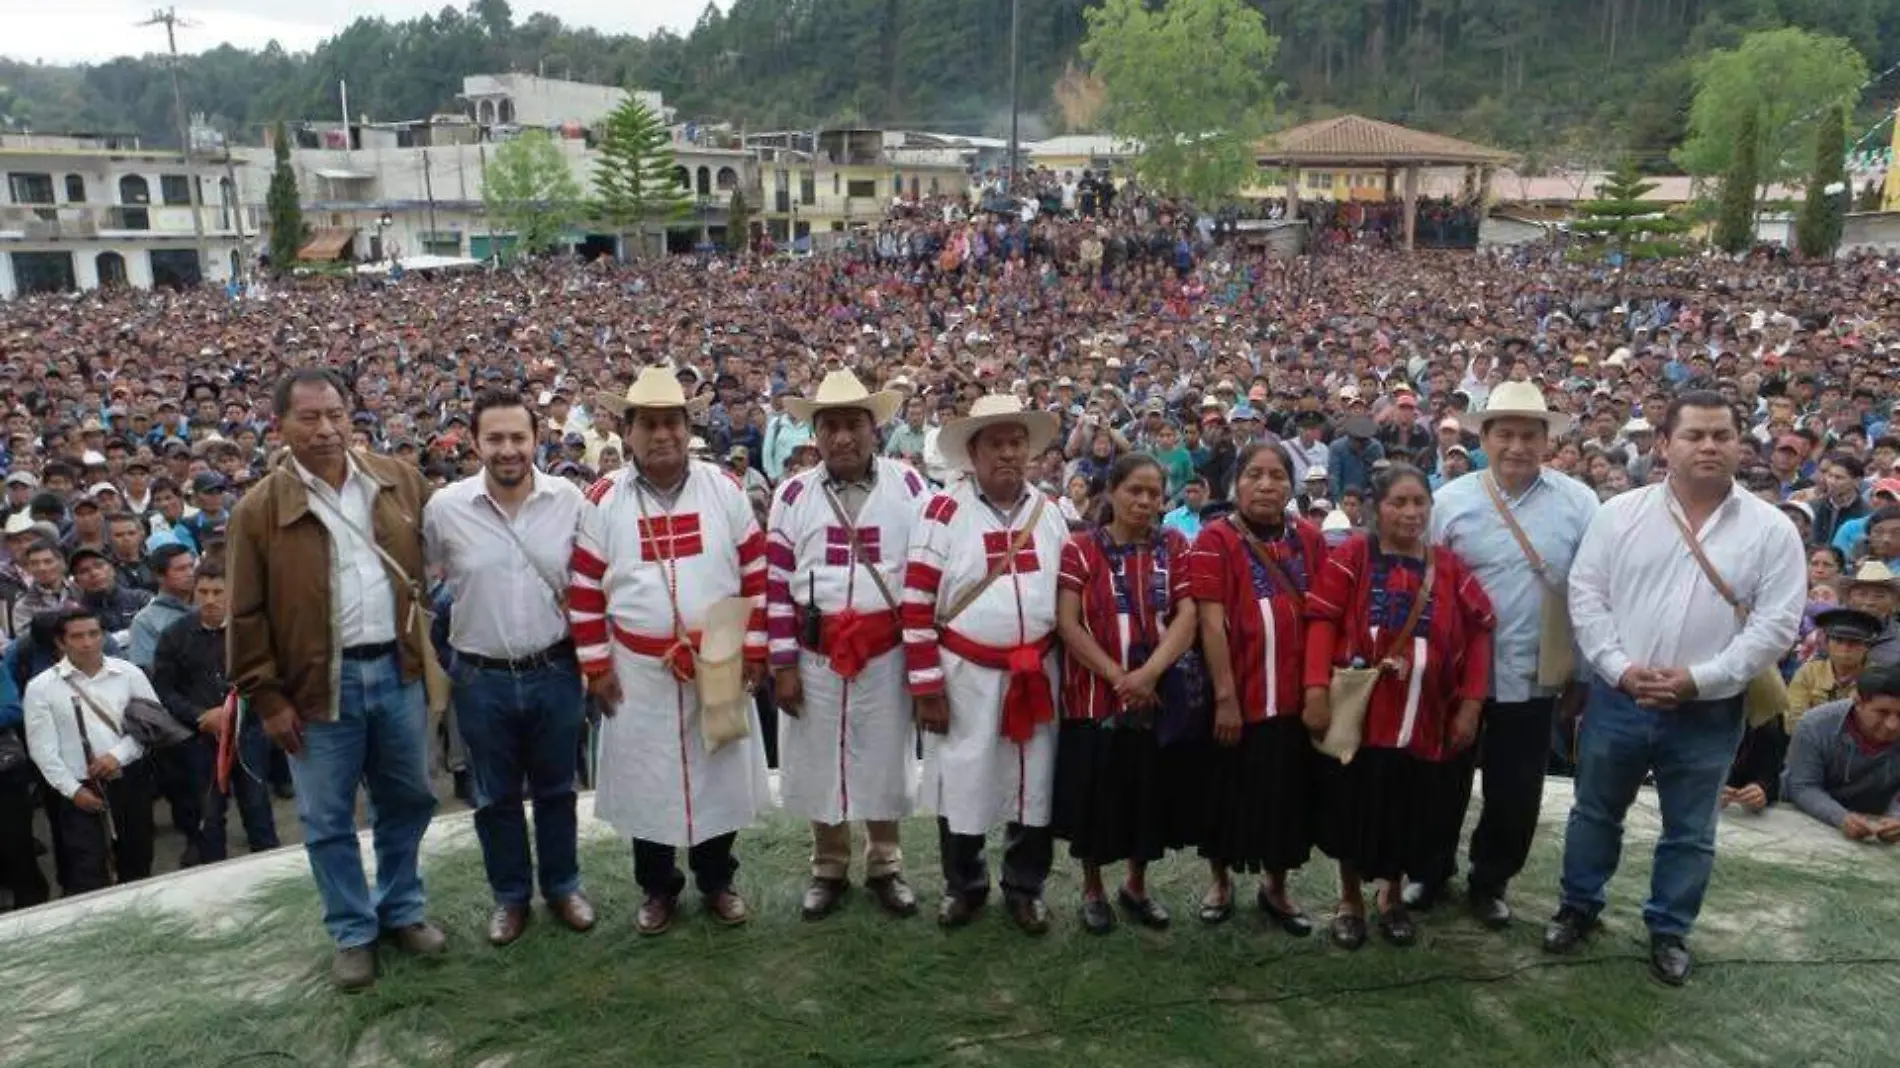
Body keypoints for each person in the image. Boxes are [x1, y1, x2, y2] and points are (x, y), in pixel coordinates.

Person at [1551, 390, 1806, 987]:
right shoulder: (1620, 514)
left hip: (1709, 711)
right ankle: (1578, 906)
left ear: (1742, 444)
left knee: (1690, 830)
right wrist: (1618, 668)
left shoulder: (1772, 531)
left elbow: (1776, 625)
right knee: (1595, 812)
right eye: (1695, 435)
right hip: (1620, 698)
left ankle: (1668, 929)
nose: (1710, 446)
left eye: (1723, 434)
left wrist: (1700, 679)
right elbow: (1587, 597)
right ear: (1665, 445)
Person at [227, 368, 443, 992]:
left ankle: (402, 909)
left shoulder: (397, 479)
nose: (326, 429)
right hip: (317, 688)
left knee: (408, 800)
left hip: (397, 672)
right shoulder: (259, 510)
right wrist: (265, 696)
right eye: (309, 418)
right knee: (326, 819)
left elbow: (453, 535)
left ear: (352, 416)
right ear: (281, 426)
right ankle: (353, 931)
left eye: (336, 415)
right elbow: (244, 612)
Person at [568, 367, 770, 937]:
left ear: (688, 428)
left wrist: (755, 647)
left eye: (672, 423)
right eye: (649, 424)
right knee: (647, 781)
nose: (663, 435)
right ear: (627, 432)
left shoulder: (723, 490)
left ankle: (716, 879)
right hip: (638, 667)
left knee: (719, 774)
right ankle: (658, 888)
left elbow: (755, 571)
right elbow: (583, 589)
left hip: (722, 654)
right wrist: (597, 666)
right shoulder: (603, 499)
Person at [1409, 381, 1598, 927]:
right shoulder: (1449, 501)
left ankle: (1491, 880)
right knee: (1441, 777)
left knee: (1516, 789)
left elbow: (1589, 592)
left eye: (1529, 436)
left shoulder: (1579, 503)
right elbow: (1424, 584)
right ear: (1484, 439)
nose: (1517, 446)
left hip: (1535, 670)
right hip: (1455, 672)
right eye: (1505, 434)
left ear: (1547, 441)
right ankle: (1430, 869)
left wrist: (1579, 673)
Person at [423, 389, 595, 947]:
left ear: (536, 439)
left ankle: (564, 886)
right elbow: (424, 581)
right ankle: (511, 897)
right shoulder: (445, 508)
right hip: (480, 677)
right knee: (493, 797)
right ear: (474, 442)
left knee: (556, 790)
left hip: (555, 670)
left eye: (518, 437)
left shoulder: (568, 499)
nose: (507, 450)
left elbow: (594, 578)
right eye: (494, 438)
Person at [1304, 464, 1495, 949]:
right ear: (1376, 508)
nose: (1411, 513)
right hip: (1367, 716)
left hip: (1426, 719)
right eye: (1399, 503)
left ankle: (1391, 897)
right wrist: (1315, 691)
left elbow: (1479, 631)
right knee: (1355, 806)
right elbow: (1322, 621)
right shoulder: (1352, 556)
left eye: (1419, 503)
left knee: (1413, 808)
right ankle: (1350, 900)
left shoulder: (1448, 566)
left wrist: (1471, 703)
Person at [903, 394, 1070, 934]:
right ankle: (965, 885)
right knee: (964, 780)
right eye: (995, 443)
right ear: (972, 453)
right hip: (966, 676)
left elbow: (1070, 593)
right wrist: (927, 685)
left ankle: (1025, 886)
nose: (1007, 453)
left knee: (1034, 782)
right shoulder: (942, 511)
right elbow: (915, 602)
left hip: (1037, 675)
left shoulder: (1050, 513)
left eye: (1016, 442)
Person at [767, 372, 924, 921]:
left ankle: (885, 862)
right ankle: (827, 864)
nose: (842, 438)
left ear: (873, 428)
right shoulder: (791, 495)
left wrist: (922, 665)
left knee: (882, 758)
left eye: (853, 424)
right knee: (817, 759)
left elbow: (926, 576)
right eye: (829, 425)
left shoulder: (909, 487)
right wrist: (782, 664)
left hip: (885, 652)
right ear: (814, 432)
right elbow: (775, 585)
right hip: (816, 653)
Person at [1052, 453, 1198, 934]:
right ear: (1111, 492)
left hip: (1156, 697)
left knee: (1147, 794)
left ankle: (1136, 885)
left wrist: (1150, 674)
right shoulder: (1079, 549)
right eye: (1135, 489)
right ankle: (1093, 887)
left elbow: (1187, 616)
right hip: (1094, 698)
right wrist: (1121, 677)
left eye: (1154, 492)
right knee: (1096, 795)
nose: (1145, 500)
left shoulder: (1173, 545)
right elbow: (1069, 624)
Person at [1187, 442, 1327, 934]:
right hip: (1238, 694)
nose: (1266, 485)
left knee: (1287, 796)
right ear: (1236, 482)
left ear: (1291, 485)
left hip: (1291, 696)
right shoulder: (1214, 539)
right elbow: (1209, 623)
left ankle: (1277, 887)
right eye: (1255, 475)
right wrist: (1225, 698)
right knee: (1226, 790)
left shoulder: (1309, 538)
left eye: (1276, 476)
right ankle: (1220, 883)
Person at [20, 606, 160, 894]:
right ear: (61, 642)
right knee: (89, 871)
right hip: (80, 790)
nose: (87, 642)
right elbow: (43, 750)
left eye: (94, 634)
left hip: (129, 780)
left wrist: (116, 756)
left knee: (137, 859)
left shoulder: (128, 673)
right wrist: (74, 791)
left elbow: (151, 726)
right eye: (78, 636)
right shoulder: (41, 687)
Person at [149, 558, 278, 861]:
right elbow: (164, 689)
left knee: (258, 805)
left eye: (218, 592)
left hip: (250, 732)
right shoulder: (174, 635)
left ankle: (269, 865)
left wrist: (243, 710)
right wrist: (199, 715)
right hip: (200, 739)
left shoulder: (252, 630)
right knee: (208, 813)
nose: (210, 600)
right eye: (203, 592)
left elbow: (269, 674)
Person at [1783, 667, 1900, 841]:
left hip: (1879, 822)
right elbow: (1802, 785)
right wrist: (1841, 817)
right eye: (1882, 713)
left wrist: (1896, 818)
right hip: (1809, 821)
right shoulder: (1814, 725)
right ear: (1858, 702)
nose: (1892, 725)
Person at [127, 544, 196, 671]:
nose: (190, 573)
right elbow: (146, 670)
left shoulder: (208, 605)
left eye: (192, 566)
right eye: (181, 569)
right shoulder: (145, 621)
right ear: (160, 576)